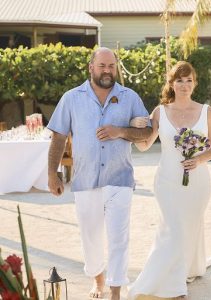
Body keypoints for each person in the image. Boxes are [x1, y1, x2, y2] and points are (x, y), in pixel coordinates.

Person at [47, 47, 152, 300]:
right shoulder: (71, 98)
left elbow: (146, 132)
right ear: (91, 68)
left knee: (119, 237)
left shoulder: (130, 97)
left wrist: (120, 131)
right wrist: (53, 173)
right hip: (85, 180)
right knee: (90, 237)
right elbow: (59, 137)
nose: (107, 71)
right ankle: (98, 278)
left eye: (111, 66)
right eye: (102, 66)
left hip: (120, 179)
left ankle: (115, 289)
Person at [128, 61, 211, 299]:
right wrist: (133, 127)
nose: (184, 85)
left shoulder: (207, 112)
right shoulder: (160, 112)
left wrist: (199, 160)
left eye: (189, 80)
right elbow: (144, 145)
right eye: (179, 80)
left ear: (194, 83)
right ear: (171, 83)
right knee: (174, 230)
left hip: (198, 183)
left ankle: (191, 266)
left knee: (188, 227)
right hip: (167, 182)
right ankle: (174, 286)